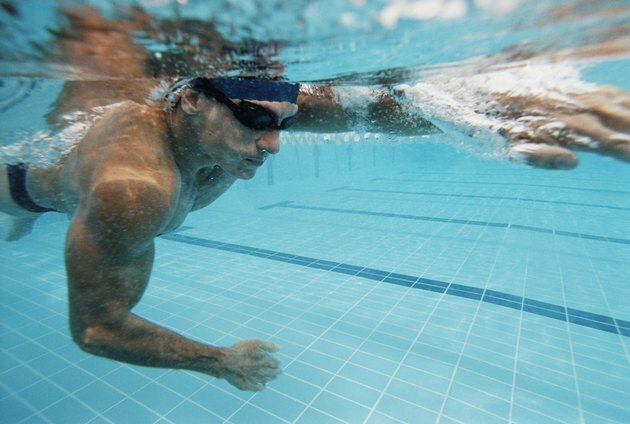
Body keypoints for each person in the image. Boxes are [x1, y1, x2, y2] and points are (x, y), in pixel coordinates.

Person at [1, 4, 629, 392]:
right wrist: (217, 362)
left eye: (286, 122)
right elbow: (96, 327)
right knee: (36, 201)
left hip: (86, 190)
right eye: (253, 119)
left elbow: (389, 110)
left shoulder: (240, 118)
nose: (272, 144)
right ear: (190, 98)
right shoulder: (135, 191)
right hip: (20, 187)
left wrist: (508, 114)